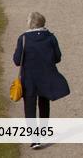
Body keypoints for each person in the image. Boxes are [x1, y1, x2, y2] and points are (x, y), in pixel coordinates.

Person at [13, 12, 70, 149]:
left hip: (29, 79)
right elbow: (57, 57)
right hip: (46, 77)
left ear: (30, 23)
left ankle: (34, 139)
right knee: (44, 104)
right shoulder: (50, 37)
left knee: (30, 108)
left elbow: (16, 60)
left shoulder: (24, 39)